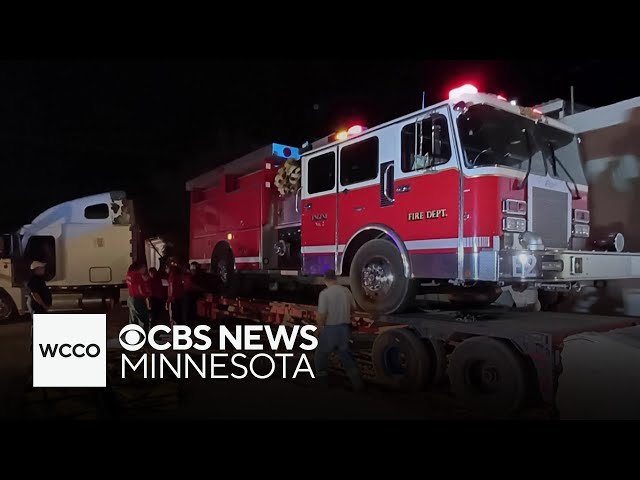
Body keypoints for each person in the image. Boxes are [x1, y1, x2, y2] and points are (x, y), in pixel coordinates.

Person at [314, 270, 365, 392]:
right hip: (344, 329)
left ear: (325, 280)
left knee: (320, 355)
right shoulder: (346, 291)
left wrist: (318, 329)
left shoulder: (325, 294)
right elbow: (353, 309)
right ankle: (358, 384)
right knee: (346, 356)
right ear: (335, 279)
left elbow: (322, 314)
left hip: (331, 329)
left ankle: (322, 384)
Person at [26, 261, 52, 353]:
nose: (44, 269)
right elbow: (35, 295)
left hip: (37, 306)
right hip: (37, 307)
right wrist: (44, 306)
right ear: (36, 269)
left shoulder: (38, 279)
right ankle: (35, 346)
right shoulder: (34, 280)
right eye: (42, 268)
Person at [126, 262, 151, 331]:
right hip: (138, 299)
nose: (145, 270)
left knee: (134, 319)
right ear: (140, 268)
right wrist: (146, 294)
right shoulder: (137, 276)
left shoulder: (129, 274)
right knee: (144, 320)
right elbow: (139, 288)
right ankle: (144, 338)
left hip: (131, 298)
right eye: (144, 268)